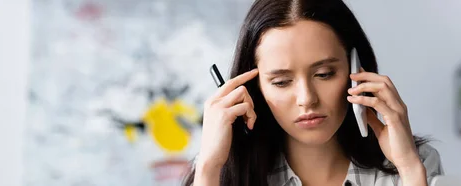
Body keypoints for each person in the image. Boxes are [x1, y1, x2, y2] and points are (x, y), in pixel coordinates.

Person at [184, 0, 444, 185]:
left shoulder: (414, 163)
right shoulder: (220, 171)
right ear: (254, 88)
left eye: (324, 75)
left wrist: (409, 168)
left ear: (355, 68)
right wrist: (208, 169)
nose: (307, 98)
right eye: (282, 82)